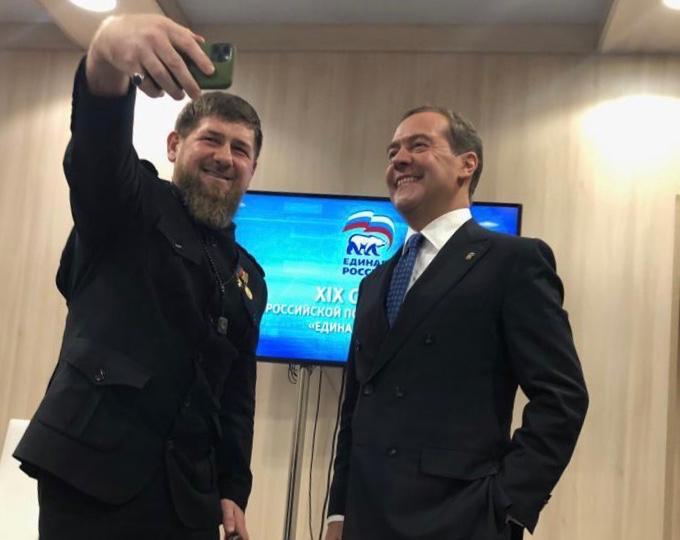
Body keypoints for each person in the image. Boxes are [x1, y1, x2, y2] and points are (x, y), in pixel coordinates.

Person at [13, 14, 266, 540]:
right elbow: (97, 146)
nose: (225, 157)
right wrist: (107, 50)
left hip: (189, 499)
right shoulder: (130, 204)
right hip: (90, 481)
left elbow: (237, 394)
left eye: (240, 149)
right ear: (174, 146)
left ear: (252, 170)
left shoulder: (250, 277)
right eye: (211, 140)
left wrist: (232, 488)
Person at [325, 106, 588, 540]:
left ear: (467, 164)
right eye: (393, 152)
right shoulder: (373, 283)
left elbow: (562, 399)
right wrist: (338, 511)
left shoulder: (513, 262)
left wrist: (506, 507)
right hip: (366, 519)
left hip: (460, 520)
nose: (399, 160)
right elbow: (354, 409)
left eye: (418, 145)